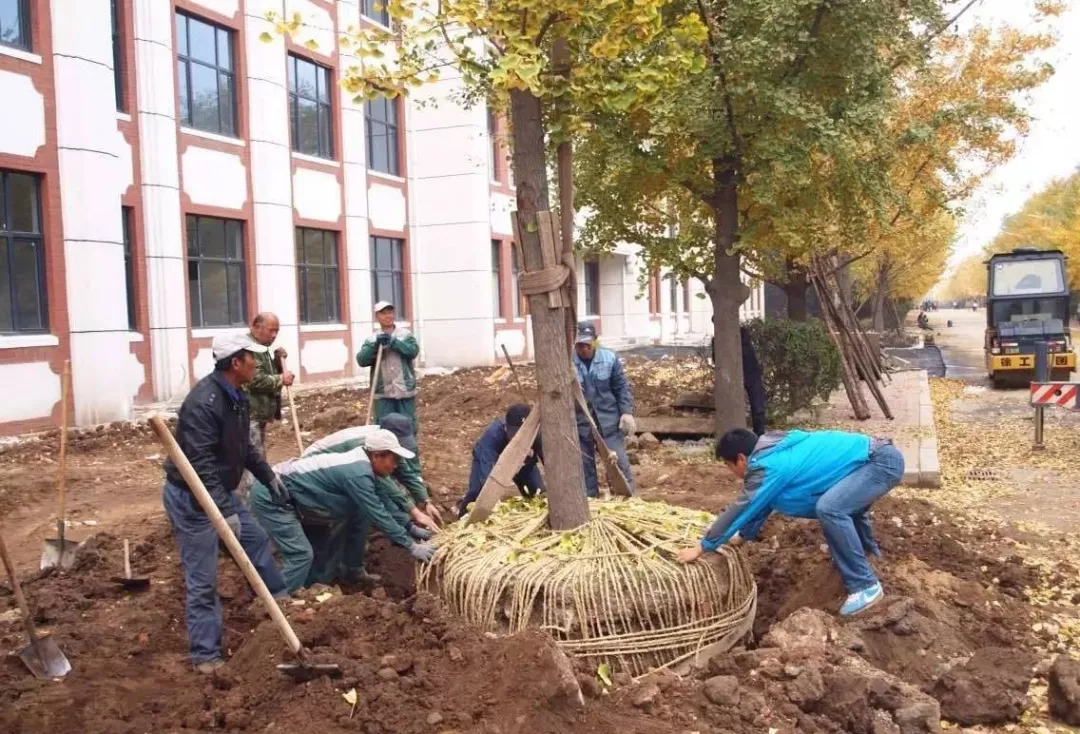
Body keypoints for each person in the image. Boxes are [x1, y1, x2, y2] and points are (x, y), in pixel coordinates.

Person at [162, 333, 291, 674]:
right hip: (193, 500)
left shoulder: (236, 396)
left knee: (255, 539)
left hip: (217, 492)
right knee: (203, 580)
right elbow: (199, 466)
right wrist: (223, 510)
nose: (257, 363)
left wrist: (269, 476)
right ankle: (205, 656)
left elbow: (244, 448)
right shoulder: (203, 404)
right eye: (252, 357)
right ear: (236, 363)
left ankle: (280, 602)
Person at [676, 428, 904, 617]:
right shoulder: (772, 449)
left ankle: (866, 586)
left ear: (741, 459)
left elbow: (743, 505)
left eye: (729, 465)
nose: (732, 473)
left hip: (879, 462)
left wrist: (703, 546)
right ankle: (865, 554)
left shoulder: (769, 465)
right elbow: (764, 502)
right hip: (876, 457)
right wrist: (743, 535)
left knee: (830, 508)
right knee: (840, 505)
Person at [249, 429, 437, 592]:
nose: (395, 466)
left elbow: (385, 501)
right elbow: (377, 513)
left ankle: (309, 591)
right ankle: (279, 602)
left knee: (321, 547)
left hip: (302, 502)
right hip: (273, 497)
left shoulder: (367, 466)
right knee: (300, 554)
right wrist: (411, 546)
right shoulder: (358, 473)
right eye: (393, 459)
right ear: (377, 455)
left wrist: (409, 527)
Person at [302, 414, 443, 526]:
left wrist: (426, 501)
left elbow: (407, 473)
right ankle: (345, 556)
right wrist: (415, 513)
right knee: (357, 506)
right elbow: (384, 481)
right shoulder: (369, 445)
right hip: (313, 469)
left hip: (337, 471)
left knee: (370, 502)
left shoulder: (385, 444)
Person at [573, 321, 635, 498]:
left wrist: (626, 412)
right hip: (581, 423)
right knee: (585, 466)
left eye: (587, 344)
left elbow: (621, 387)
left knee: (617, 462)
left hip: (608, 421)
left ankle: (624, 499)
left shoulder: (609, 358)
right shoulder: (568, 363)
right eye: (580, 345)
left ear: (595, 341)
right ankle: (590, 500)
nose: (583, 349)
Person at [456, 404, 544, 518]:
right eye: (515, 434)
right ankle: (462, 519)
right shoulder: (492, 437)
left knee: (539, 493)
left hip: (523, 462)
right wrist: (493, 502)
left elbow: (549, 462)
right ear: (506, 427)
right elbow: (487, 474)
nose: (517, 438)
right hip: (491, 460)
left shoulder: (535, 435)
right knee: (477, 493)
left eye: (522, 434)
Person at [357, 301, 420, 432]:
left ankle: (408, 452)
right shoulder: (372, 339)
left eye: (390, 312)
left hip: (404, 390)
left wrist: (393, 342)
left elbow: (413, 351)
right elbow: (362, 360)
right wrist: (375, 347)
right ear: (377, 317)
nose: (388, 316)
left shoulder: (405, 335)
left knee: (408, 427)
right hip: (383, 393)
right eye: (383, 313)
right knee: (383, 429)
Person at [246, 312, 295, 457]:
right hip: (249, 413)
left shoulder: (261, 346)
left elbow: (266, 371)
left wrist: (277, 362)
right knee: (254, 457)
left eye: (276, 331)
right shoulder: (249, 348)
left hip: (259, 411)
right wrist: (281, 379)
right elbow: (254, 379)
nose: (274, 335)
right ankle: (255, 480)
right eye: (271, 330)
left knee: (257, 453)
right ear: (255, 328)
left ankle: (259, 479)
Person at [741, 326, 767, 436]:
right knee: (757, 406)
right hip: (743, 375)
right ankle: (758, 433)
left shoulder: (742, 333)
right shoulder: (718, 339)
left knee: (758, 407)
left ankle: (760, 433)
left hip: (751, 373)